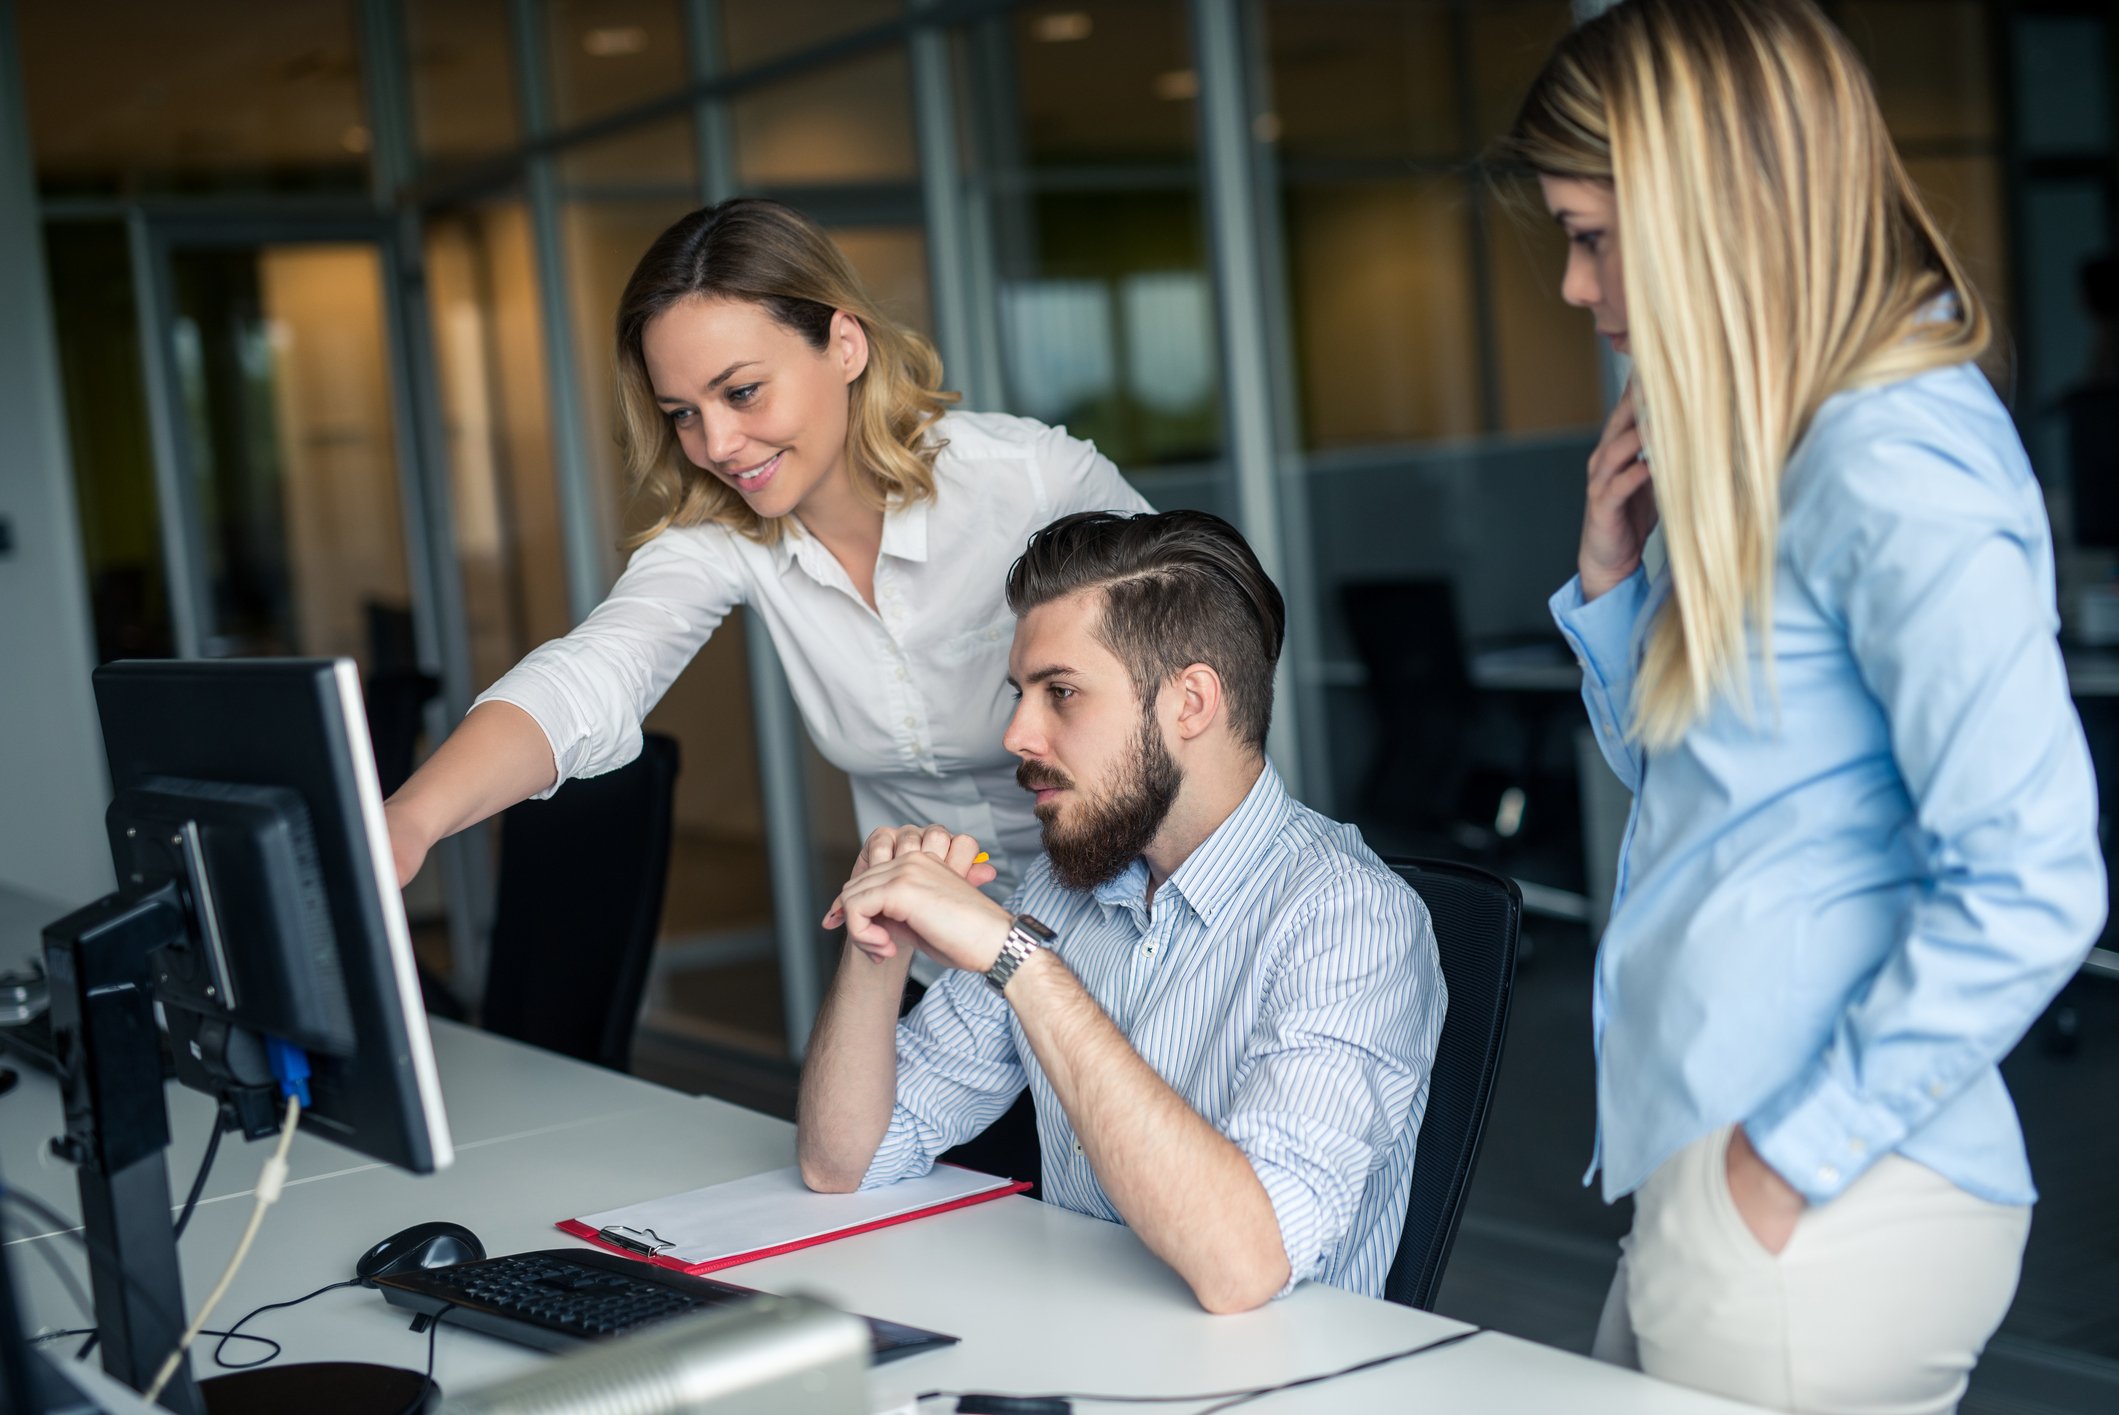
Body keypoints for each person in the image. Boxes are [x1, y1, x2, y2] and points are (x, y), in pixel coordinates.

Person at [1496, 2, 2106, 1411]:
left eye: (1591, 235)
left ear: (1708, 207)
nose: (1576, 288)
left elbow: (2030, 876)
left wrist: (1778, 1162)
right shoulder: (1789, 442)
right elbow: (1714, 807)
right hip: (1725, 1162)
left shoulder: (1890, 457)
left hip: (1807, 1187)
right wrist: (1610, 585)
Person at [382, 198, 1151, 934]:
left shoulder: (1032, 480)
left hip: (1130, 933)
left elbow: (1199, 663)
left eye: (742, 392)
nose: (716, 444)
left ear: (845, 345)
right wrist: (410, 821)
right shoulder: (722, 533)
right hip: (939, 961)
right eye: (682, 412)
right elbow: (591, 674)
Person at [794, 509, 1444, 1314]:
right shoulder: (1061, 888)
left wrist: (1016, 962)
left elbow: (1243, 1263)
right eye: (1021, 694)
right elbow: (842, 1162)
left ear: (1190, 702)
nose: (1017, 734)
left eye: (1060, 692)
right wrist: (877, 945)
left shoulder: (1353, 923)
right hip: (1081, 1347)